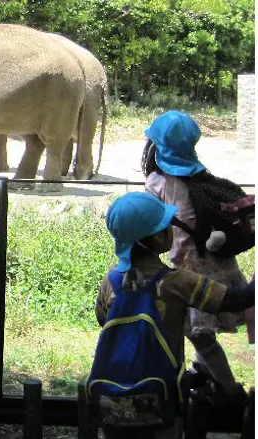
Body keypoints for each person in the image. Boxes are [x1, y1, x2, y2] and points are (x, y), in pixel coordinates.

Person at [95, 191, 258, 439]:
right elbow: (234, 301)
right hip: (160, 400)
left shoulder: (111, 280)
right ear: (160, 238)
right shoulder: (176, 282)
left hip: (112, 398)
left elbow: (103, 319)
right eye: (168, 226)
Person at [141, 110, 254, 402]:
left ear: (155, 147)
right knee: (197, 331)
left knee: (197, 333)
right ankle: (206, 375)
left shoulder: (158, 183)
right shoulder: (201, 178)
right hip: (221, 264)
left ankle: (230, 391)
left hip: (191, 270)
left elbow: (155, 231)